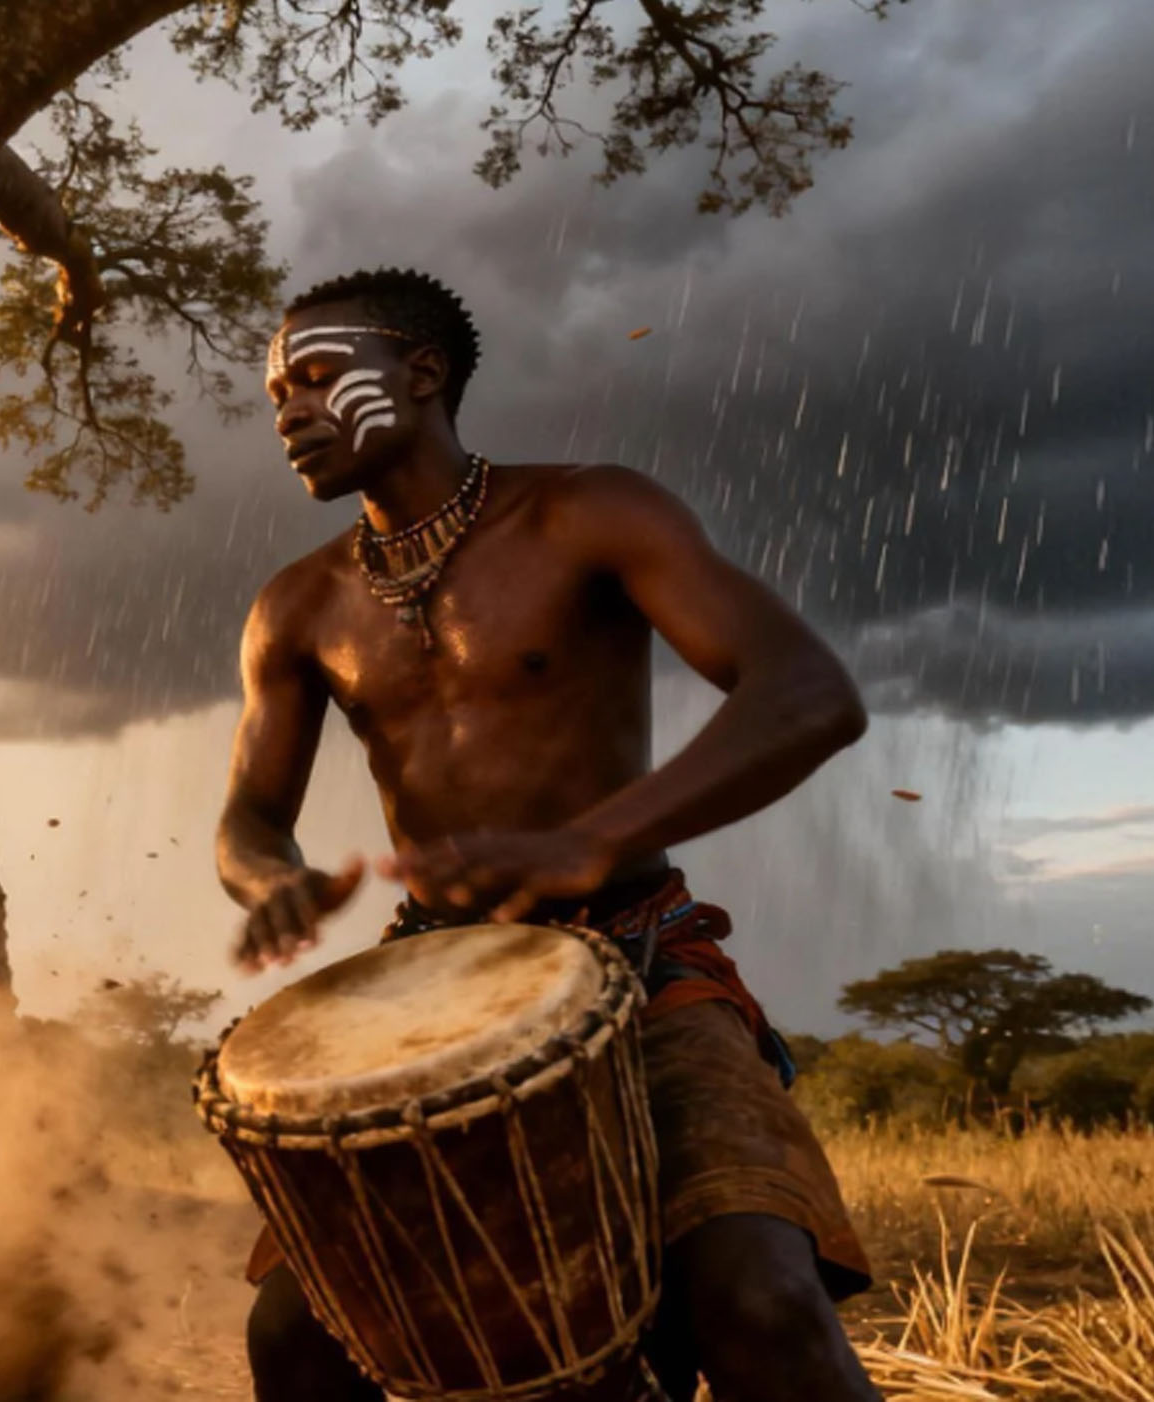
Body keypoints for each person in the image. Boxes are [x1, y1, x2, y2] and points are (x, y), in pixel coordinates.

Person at [214, 269, 883, 1401]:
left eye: (321, 377)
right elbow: (247, 815)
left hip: (637, 956)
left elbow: (809, 693)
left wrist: (591, 839)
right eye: (277, 390)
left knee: (760, 1300)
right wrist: (267, 875)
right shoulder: (297, 605)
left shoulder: (588, 512)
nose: (289, 410)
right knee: (297, 1337)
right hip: (432, 986)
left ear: (422, 374)